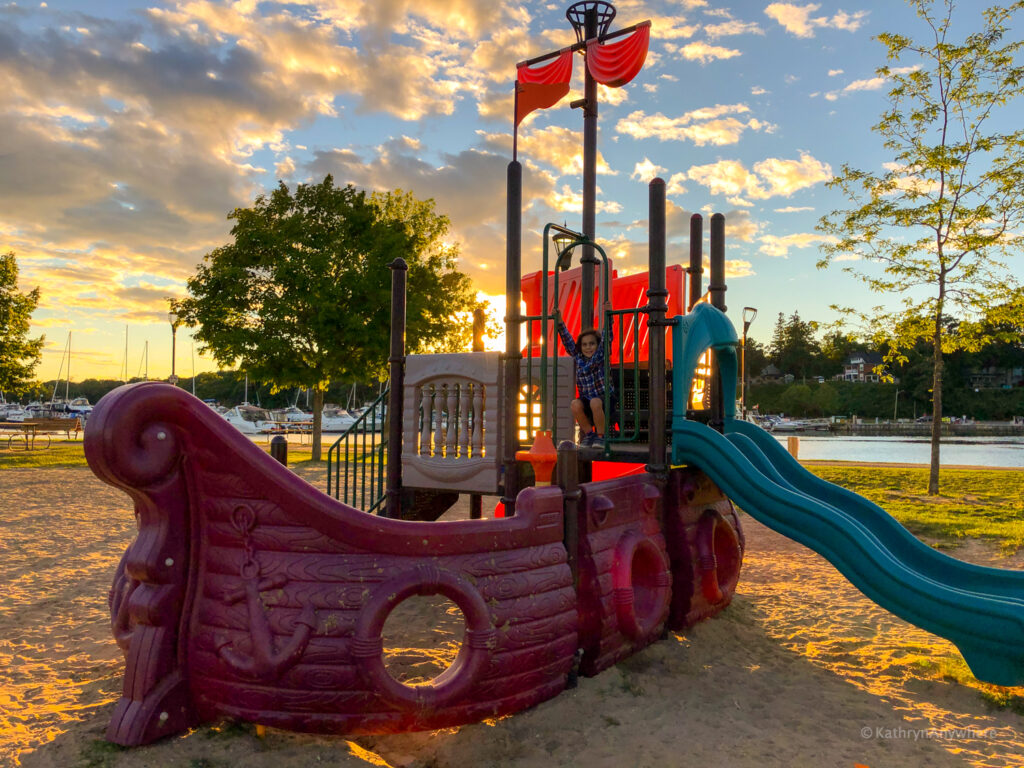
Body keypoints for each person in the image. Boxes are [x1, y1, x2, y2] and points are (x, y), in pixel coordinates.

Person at [552, 298, 615, 447]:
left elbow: (607, 338)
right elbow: (567, 341)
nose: (588, 347)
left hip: (604, 400)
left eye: (592, 344)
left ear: (597, 345)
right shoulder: (578, 357)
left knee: (594, 401)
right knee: (574, 404)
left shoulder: (600, 356)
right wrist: (560, 322)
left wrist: (608, 316)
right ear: (580, 347)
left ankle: (601, 436)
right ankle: (590, 435)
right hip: (587, 400)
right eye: (585, 344)